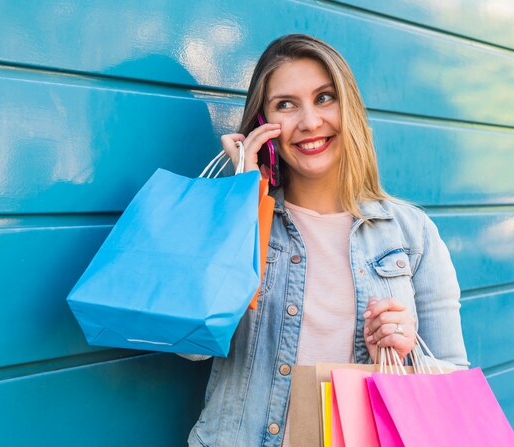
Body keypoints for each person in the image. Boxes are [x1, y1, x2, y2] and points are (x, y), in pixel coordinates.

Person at [186, 33, 469, 447]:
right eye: (286, 104)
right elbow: (190, 346)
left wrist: (407, 352)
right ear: (263, 123)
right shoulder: (240, 219)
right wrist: (240, 199)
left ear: (348, 107)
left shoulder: (412, 233)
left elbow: (454, 381)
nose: (310, 122)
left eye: (324, 98)